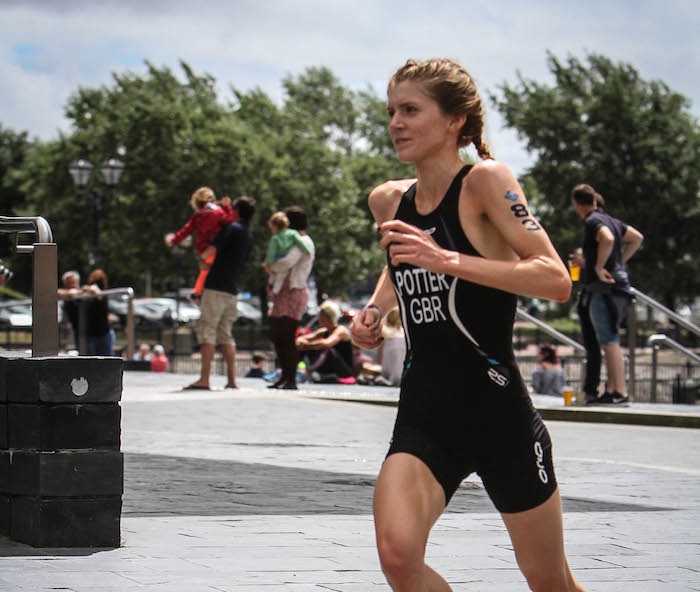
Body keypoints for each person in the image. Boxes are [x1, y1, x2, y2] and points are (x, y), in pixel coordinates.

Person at [349, 58, 583, 591]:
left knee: (550, 581)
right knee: (397, 556)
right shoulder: (389, 200)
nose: (396, 123)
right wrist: (376, 309)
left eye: (411, 110)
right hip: (425, 413)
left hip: (498, 416)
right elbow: (401, 264)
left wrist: (450, 261)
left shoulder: (486, 182)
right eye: (391, 111)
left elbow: (554, 278)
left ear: (455, 120)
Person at [569, 184, 643, 406]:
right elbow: (636, 238)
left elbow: (607, 239)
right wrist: (617, 261)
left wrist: (601, 266)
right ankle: (611, 390)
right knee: (610, 339)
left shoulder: (593, 221)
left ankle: (619, 392)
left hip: (605, 290)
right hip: (619, 287)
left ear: (576, 204)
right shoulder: (612, 219)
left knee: (609, 341)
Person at [183, 195, 256, 391]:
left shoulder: (232, 229)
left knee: (207, 330)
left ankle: (204, 379)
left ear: (238, 211)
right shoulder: (248, 234)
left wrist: (200, 257)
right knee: (226, 334)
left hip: (215, 285)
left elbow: (209, 252)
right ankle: (232, 380)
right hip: (232, 289)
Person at [265, 206, 315, 390]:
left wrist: (271, 266)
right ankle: (284, 376)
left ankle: (290, 379)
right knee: (278, 334)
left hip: (293, 291)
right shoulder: (292, 240)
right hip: (283, 291)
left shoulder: (302, 241)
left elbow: (287, 262)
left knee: (286, 336)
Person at [165, 187, 236, 302]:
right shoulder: (218, 212)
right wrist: (227, 207)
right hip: (215, 248)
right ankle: (201, 294)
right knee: (211, 273)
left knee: (204, 272)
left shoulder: (198, 215)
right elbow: (230, 222)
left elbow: (186, 230)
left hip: (202, 250)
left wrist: (173, 240)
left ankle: (198, 293)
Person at [297, 300, 355, 384]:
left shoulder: (341, 330)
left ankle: (308, 371)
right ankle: (289, 371)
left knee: (327, 349)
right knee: (306, 348)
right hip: (329, 368)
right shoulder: (324, 331)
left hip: (344, 371)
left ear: (327, 317)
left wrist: (306, 344)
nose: (319, 318)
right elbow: (304, 338)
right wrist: (301, 343)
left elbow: (327, 343)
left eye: (321, 316)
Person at [262, 211, 311, 295]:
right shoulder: (293, 233)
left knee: (273, 274)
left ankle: (271, 287)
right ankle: (275, 291)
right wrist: (307, 251)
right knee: (281, 275)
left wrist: (268, 264)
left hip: (277, 258)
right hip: (286, 256)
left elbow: (271, 252)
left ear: (275, 226)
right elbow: (300, 243)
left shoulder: (275, 238)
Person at [83, 269, 115, 356]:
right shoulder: (102, 293)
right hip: (100, 332)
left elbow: (97, 294)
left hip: (97, 332)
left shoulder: (96, 293)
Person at [378, 307, 406, 386]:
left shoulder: (384, 331)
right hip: (402, 367)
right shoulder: (403, 332)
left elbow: (380, 353)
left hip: (388, 366)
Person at [57, 270, 82, 350]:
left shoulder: (82, 293)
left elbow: (74, 292)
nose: (71, 285)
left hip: (84, 329)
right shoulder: (65, 293)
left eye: (73, 282)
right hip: (69, 328)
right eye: (68, 283)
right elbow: (58, 293)